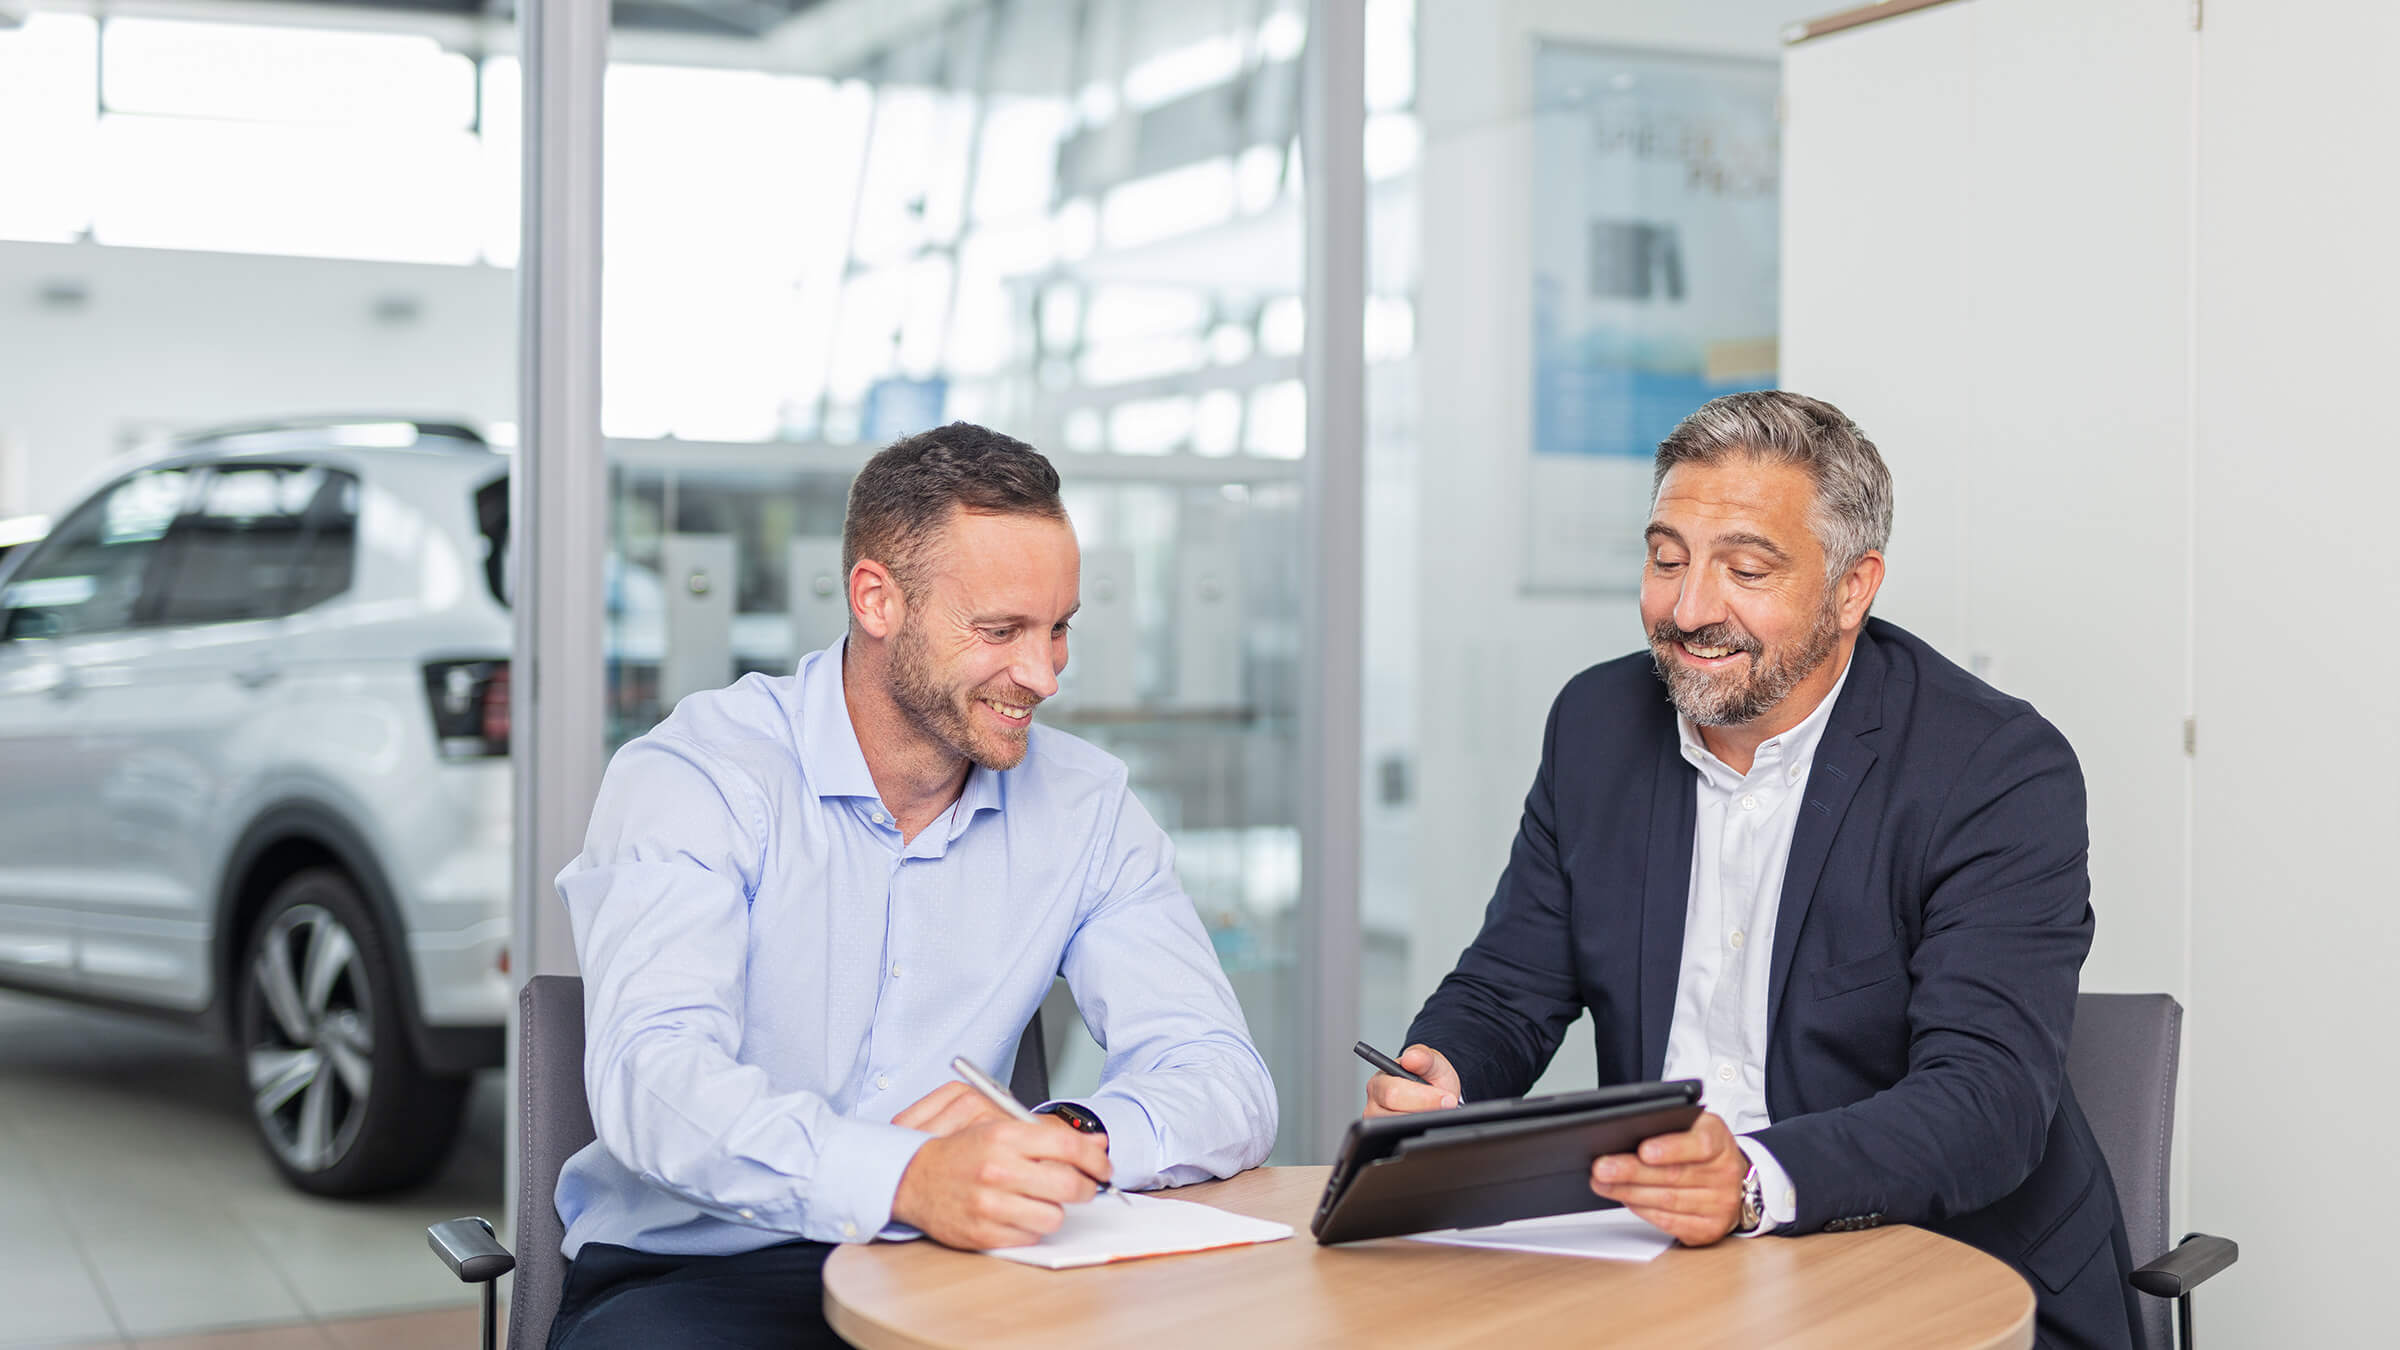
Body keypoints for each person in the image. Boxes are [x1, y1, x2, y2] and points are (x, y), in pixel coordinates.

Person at [1368, 391, 2138, 1349]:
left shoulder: (1990, 766)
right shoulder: (1597, 725)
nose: (1690, 609)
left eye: (1745, 569)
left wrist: (1745, 1182)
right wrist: (1444, 1071)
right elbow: (1506, 987)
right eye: (1666, 561)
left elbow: (1988, 1101)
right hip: (1665, 1276)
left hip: (1936, 1266)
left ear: (1852, 589)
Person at [546, 423, 1277, 1349]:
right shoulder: (697, 779)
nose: (1043, 675)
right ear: (876, 599)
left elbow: (1226, 1079)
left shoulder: (1087, 807)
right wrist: (905, 1178)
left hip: (964, 1267)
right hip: (704, 1270)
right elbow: (656, 1086)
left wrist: (1069, 1137)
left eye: (1059, 630)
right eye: (1002, 631)